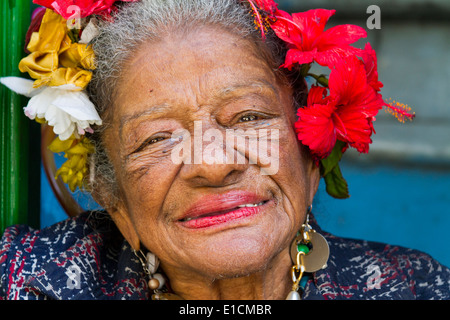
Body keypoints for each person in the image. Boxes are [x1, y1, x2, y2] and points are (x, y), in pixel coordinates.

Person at [0, 0, 449, 300]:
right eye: (157, 138)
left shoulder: (414, 287)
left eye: (249, 117)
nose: (214, 164)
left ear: (311, 157)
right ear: (112, 197)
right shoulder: (32, 281)